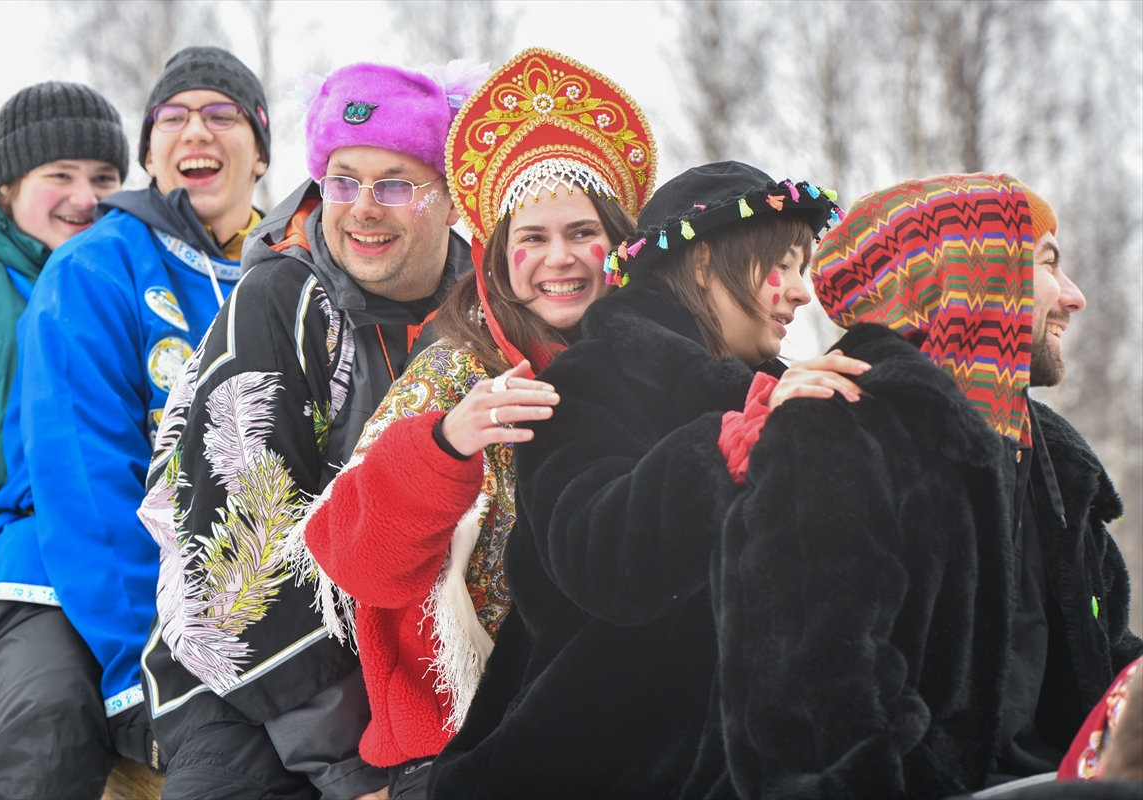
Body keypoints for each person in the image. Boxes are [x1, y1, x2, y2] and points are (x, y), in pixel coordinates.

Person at [429, 161, 867, 797]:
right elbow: (600, 560)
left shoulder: (783, 394)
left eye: (806, 266)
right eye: (786, 262)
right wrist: (732, 445)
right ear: (701, 263)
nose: (803, 291)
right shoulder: (581, 385)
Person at [286, 49, 654, 799]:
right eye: (533, 238)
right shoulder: (458, 372)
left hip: (611, 733)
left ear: (618, 246)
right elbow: (349, 556)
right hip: (461, 745)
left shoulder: (653, 365)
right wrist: (446, 445)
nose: (560, 260)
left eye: (581, 233)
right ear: (497, 254)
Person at [711, 174, 1143, 798]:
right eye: (1048, 262)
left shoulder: (1055, 467)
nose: (1074, 297)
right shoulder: (843, 429)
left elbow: (1106, 664)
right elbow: (811, 708)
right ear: (974, 271)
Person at [137, 59, 480, 799]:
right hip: (242, 671)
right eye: (343, 181)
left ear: (452, 200)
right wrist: (352, 774)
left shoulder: (487, 311)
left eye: (395, 183)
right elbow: (233, 568)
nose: (362, 208)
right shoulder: (282, 304)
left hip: (429, 659)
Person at [0, 47, 270, 799]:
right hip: (68, 569)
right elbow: (84, 478)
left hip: (234, 582)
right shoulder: (94, 266)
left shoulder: (289, 271)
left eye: (221, 114)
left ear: (260, 151)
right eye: (172, 117)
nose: (196, 130)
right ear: (153, 155)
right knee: (53, 724)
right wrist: (141, 667)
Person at [0, 81, 129, 749]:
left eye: (104, 177)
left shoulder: (122, 274)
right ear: (8, 183)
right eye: (60, 175)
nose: (85, 197)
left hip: (81, 547)